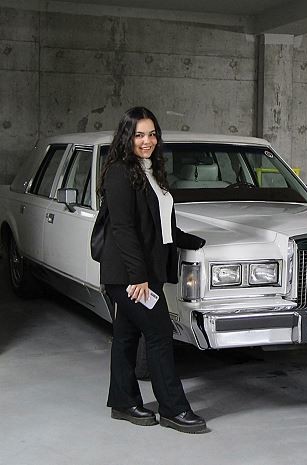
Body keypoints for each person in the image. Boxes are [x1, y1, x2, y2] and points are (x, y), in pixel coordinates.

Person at [98, 106, 208, 434]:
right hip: (129, 275)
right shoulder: (119, 172)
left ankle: (123, 401)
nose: (147, 141)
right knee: (159, 333)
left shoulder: (152, 170)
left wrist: (185, 239)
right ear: (126, 137)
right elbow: (123, 229)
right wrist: (138, 277)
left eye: (152, 134)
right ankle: (174, 409)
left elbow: (158, 221)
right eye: (139, 135)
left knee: (126, 335)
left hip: (148, 272)